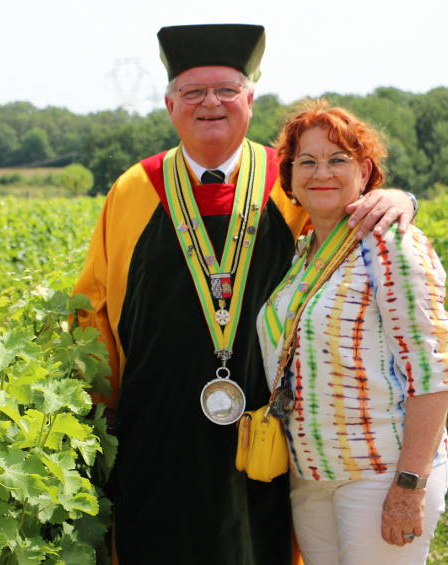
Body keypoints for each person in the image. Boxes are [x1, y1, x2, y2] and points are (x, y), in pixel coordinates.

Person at [72, 24, 417, 564]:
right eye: (193, 91)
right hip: (155, 431)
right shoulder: (133, 189)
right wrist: (98, 415)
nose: (211, 103)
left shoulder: (292, 183)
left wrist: (399, 197)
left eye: (226, 90)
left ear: (250, 100)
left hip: (268, 430)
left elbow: (357, 217)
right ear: (170, 105)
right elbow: (93, 309)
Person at [257, 102, 448, 565]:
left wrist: (409, 485)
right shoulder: (301, 253)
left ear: (365, 172)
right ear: (291, 178)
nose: (321, 172)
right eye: (307, 161)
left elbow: (434, 372)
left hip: (380, 473)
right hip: (310, 476)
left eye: (338, 159)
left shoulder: (389, 243)